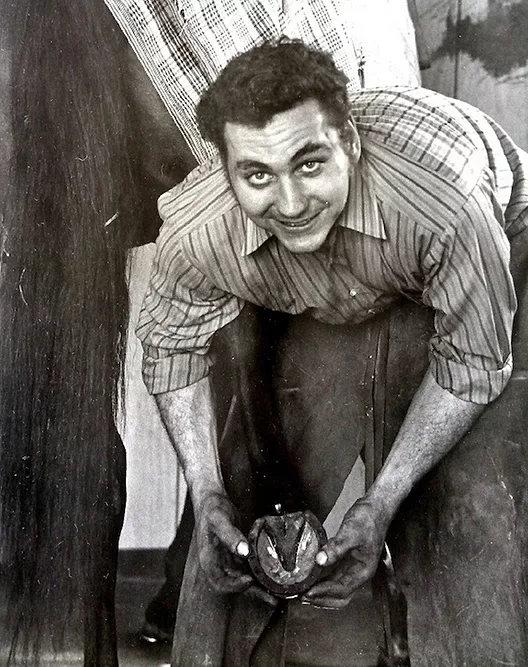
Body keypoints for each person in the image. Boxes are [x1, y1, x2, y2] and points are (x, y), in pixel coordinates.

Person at [137, 39, 528, 661]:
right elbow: (170, 351)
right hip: (340, 290)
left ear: (350, 141)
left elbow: (473, 363)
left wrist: (381, 503)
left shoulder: (443, 204)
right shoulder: (196, 231)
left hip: (497, 249)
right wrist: (206, 491)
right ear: (226, 169)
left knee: (471, 503)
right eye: (257, 175)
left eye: (310, 164)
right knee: (239, 498)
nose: (290, 205)